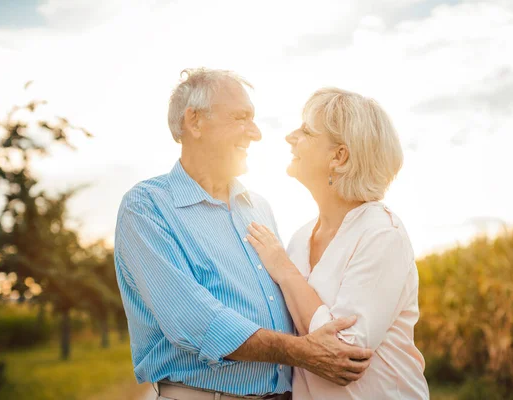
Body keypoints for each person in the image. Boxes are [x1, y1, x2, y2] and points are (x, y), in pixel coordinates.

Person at [114, 69, 373, 400]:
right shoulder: (147, 207)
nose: (256, 133)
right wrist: (302, 352)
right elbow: (193, 320)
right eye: (241, 118)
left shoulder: (258, 207)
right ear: (194, 122)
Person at [246, 88, 430, 399]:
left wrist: (285, 271)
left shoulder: (382, 235)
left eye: (306, 131)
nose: (291, 137)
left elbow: (345, 352)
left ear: (339, 156)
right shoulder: (299, 238)